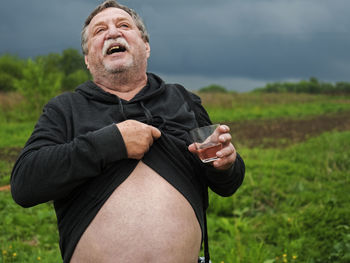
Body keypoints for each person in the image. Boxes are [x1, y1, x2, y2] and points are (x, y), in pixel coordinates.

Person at [11, 1, 245, 262]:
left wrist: (225, 164)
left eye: (123, 25)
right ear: (88, 59)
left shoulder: (183, 100)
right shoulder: (65, 109)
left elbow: (227, 184)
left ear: (146, 46)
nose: (112, 32)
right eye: (99, 31)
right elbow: (24, 185)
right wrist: (111, 143)